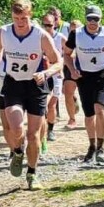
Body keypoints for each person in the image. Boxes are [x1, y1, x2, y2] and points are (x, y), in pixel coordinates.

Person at [0, 0, 62, 190]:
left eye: (24, 19)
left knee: (34, 134)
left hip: (35, 86)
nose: (20, 23)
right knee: (16, 128)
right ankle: (18, 151)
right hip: (13, 84)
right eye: (16, 18)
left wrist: (46, 73)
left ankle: (32, 174)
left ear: (30, 16)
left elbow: (58, 61)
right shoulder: (2, 32)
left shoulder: (41, 35)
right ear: (12, 15)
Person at [63, 5, 104, 165]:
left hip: (102, 75)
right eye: (89, 18)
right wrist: (72, 70)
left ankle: (101, 148)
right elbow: (66, 53)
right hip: (84, 76)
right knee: (89, 115)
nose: (92, 22)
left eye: (95, 19)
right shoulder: (76, 34)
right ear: (85, 19)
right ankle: (92, 146)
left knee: (100, 108)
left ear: (100, 19)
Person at [40, 13, 66, 151]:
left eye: (49, 25)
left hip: (55, 74)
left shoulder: (60, 37)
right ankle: (42, 134)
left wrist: (61, 63)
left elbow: (71, 52)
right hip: (43, 74)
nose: (47, 27)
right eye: (44, 25)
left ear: (55, 24)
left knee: (52, 105)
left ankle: (50, 129)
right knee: (43, 105)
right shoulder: (39, 37)